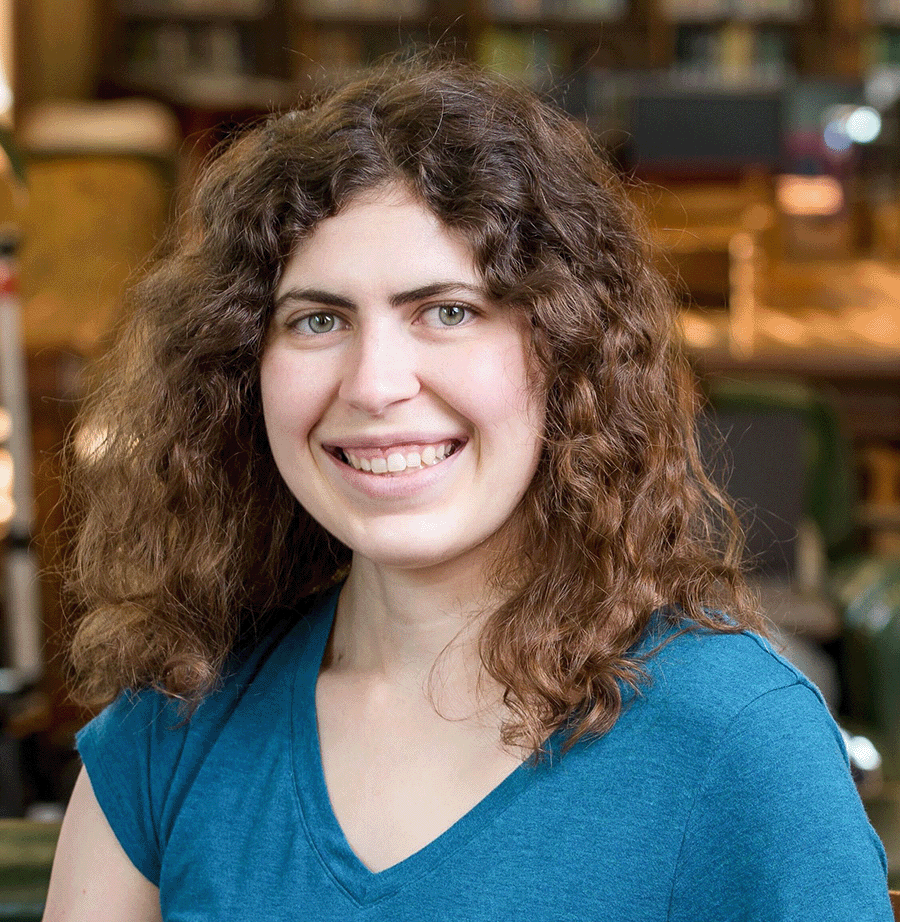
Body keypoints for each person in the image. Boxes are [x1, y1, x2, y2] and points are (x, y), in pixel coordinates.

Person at [44, 57, 892, 921]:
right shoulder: (172, 730)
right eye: (318, 319)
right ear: (240, 371)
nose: (374, 385)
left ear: (567, 352)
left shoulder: (739, 739)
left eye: (448, 311)